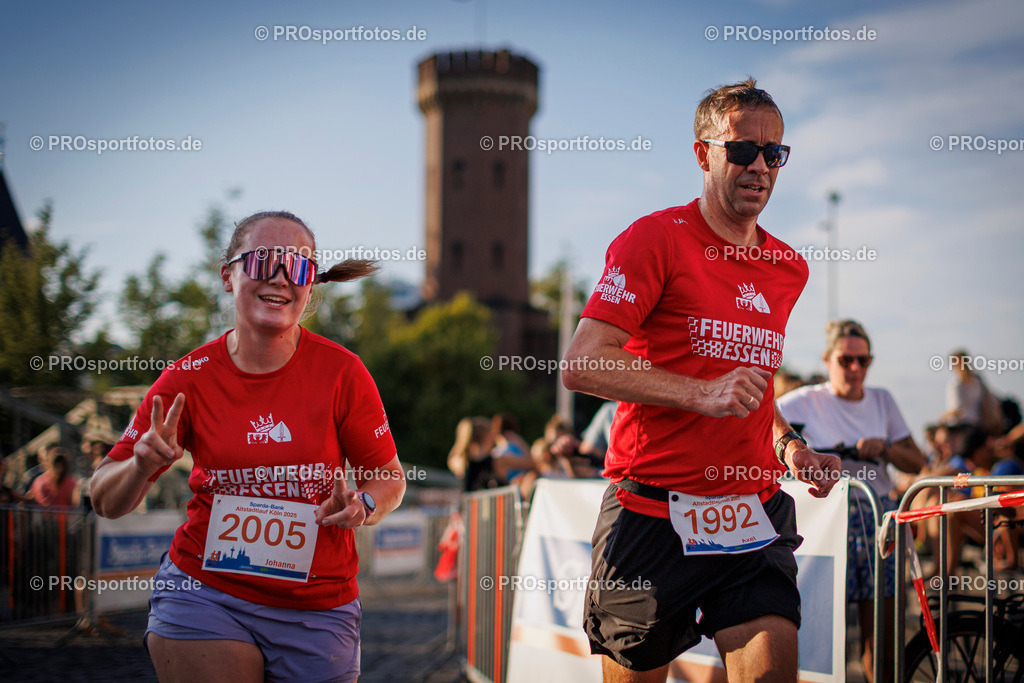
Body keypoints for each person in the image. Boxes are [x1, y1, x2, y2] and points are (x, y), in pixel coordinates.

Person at [562, 78, 841, 683]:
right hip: (653, 511)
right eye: (742, 149)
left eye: (775, 153)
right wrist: (697, 392)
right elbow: (583, 361)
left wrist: (790, 446)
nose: (760, 165)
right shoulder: (655, 239)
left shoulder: (788, 267)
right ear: (703, 153)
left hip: (750, 513)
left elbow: (753, 392)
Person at [90, 210, 406, 683]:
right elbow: (102, 498)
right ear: (228, 275)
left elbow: (389, 477)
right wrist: (138, 466)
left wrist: (363, 503)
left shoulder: (343, 373)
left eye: (298, 266)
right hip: (206, 591)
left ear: (310, 285)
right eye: (264, 260)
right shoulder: (186, 379)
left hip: (317, 604)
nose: (280, 277)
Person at [777, 319, 925, 683]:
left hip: (879, 517)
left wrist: (886, 448)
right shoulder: (803, 400)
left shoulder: (882, 399)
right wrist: (798, 453)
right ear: (828, 359)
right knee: (819, 633)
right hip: (826, 524)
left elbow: (917, 460)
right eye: (846, 360)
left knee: (882, 635)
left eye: (865, 360)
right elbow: (762, 430)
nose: (856, 369)